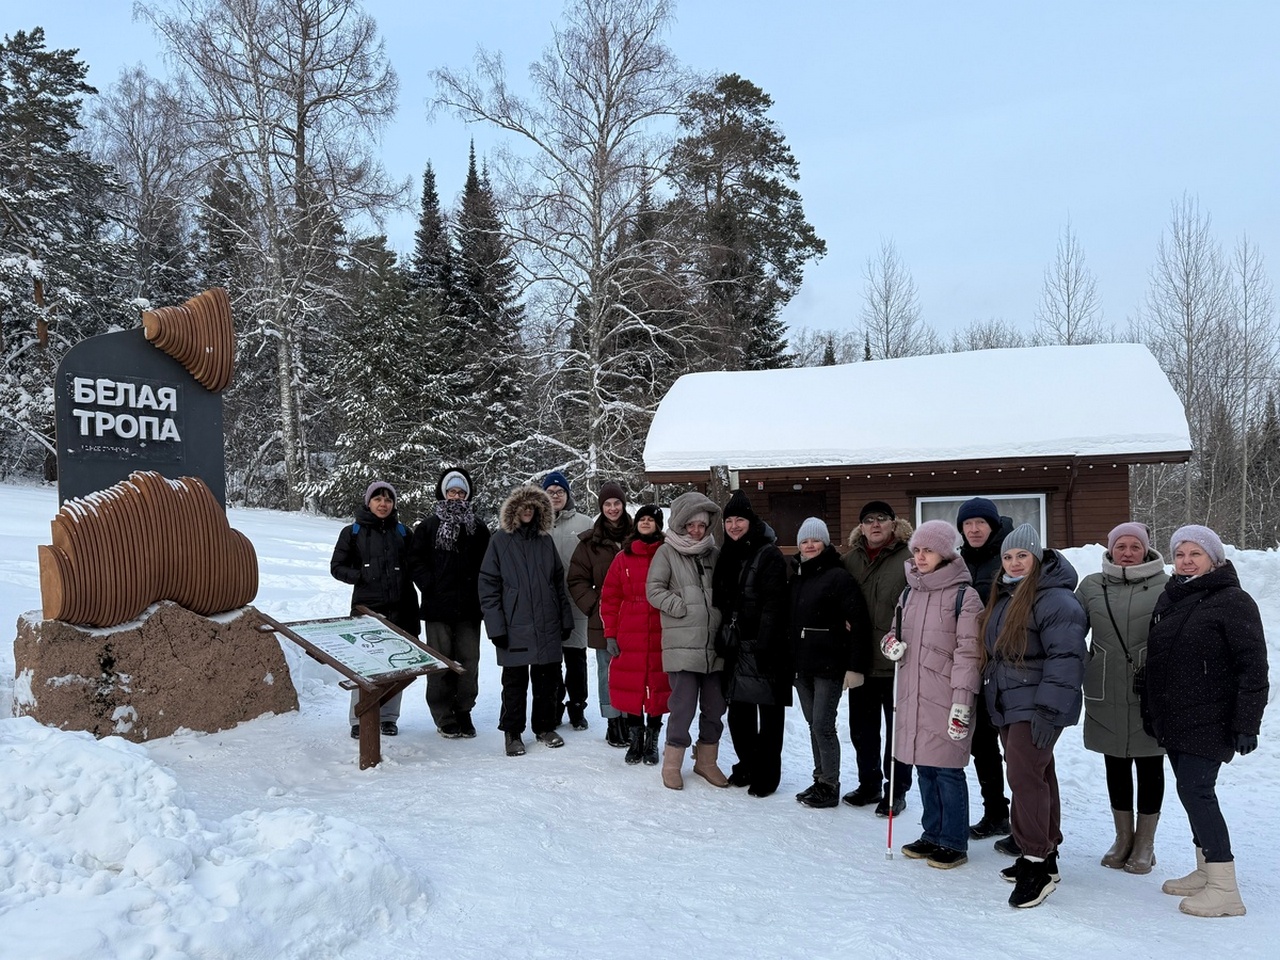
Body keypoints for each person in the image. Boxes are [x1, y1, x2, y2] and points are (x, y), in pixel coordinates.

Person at [1141, 525, 1268, 918]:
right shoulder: (1172, 596)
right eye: (1180, 554)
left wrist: (1247, 723)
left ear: (1214, 559)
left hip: (1212, 716)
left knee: (1197, 791)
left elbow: (1253, 667)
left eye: (1195, 554)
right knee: (1188, 791)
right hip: (1176, 716)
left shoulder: (1233, 600)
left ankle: (1225, 889)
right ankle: (1205, 870)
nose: (1186, 561)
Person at [979, 523, 1087, 909]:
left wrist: (1048, 709)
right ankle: (1046, 855)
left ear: (1037, 557)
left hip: (1037, 703)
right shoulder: (1007, 594)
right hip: (1011, 701)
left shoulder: (1054, 599)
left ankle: (1035, 863)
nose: (1014, 562)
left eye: (1022, 555)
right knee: (1038, 775)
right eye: (1008, 556)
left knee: (1024, 778)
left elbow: (1067, 658)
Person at [885, 521, 983, 869]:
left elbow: (969, 652)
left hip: (946, 696)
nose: (920, 556)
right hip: (912, 693)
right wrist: (890, 645)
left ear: (945, 553)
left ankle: (953, 841)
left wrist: (962, 701)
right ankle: (932, 833)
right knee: (924, 767)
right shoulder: (909, 593)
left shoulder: (964, 596)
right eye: (916, 550)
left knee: (947, 769)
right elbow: (894, 632)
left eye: (928, 550)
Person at [1075, 522, 1168, 874]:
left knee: (1150, 763)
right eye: (1121, 546)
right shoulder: (1091, 586)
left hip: (1150, 689)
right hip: (1105, 686)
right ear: (1110, 549)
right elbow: (1069, 631)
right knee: (1114, 762)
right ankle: (1123, 837)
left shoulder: (1167, 585)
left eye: (1135, 547)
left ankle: (1145, 843)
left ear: (1146, 550)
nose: (1127, 553)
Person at [479, 484, 575, 756]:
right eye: (523, 507)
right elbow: (488, 586)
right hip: (514, 625)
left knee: (547, 680)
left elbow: (557, 583)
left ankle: (544, 727)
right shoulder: (500, 541)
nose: (528, 511)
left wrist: (565, 619)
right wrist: (496, 627)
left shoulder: (545, 541)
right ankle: (512, 732)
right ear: (514, 510)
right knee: (514, 683)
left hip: (547, 622)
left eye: (533, 507)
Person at [645, 491, 727, 790]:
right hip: (681, 644)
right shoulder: (667, 552)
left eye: (702, 525)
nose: (696, 531)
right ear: (680, 524)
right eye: (691, 525)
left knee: (715, 706)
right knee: (683, 707)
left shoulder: (714, 554)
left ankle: (706, 761)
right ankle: (672, 764)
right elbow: (653, 589)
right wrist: (681, 607)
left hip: (713, 645)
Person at [712, 491, 790, 797]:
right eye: (729, 520)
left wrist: (765, 645)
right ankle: (747, 765)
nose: (734, 525)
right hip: (735, 644)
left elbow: (775, 604)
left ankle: (767, 775)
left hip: (764, 645)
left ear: (751, 521)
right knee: (739, 714)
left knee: (769, 714)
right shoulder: (727, 553)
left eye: (739, 520)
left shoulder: (768, 554)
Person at [789, 517, 871, 809]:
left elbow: (858, 621)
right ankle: (819, 778)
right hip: (801, 666)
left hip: (829, 664)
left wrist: (855, 666)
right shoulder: (796, 576)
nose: (810, 545)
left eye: (815, 540)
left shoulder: (838, 577)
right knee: (813, 724)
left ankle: (830, 785)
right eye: (805, 541)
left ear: (825, 543)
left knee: (823, 725)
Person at [330, 481, 421, 739]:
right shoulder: (353, 532)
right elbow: (337, 567)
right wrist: (361, 576)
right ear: (368, 502)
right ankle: (359, 718)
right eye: (378, 499)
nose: (383, 504)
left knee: (396, 664)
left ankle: (389, 717)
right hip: (367, 608)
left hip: (402, 606)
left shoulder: (403, 532)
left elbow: (417, 566)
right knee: (365, 665)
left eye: (388, 500)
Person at [841, 500, 913, 816]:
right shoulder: (849, 560)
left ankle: (896, 791)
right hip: (861, 661)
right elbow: (834, 596)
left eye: (881, 519)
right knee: (862, 730)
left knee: (898, 733)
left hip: (897, 662)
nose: (875, 525)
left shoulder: (910, 558)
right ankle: (868, 785)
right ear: (861, 526)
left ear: (893, 524)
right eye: (869, 520)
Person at [410, 467, 490, 740]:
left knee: (469, 661)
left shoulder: (478, 528)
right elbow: (415, 561)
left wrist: (480, 591)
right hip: (437, 608)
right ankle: (443, 715)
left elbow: (488, 565)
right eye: (452, 491)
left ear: (467, 495)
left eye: (461, 492)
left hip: (469, 608)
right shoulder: (428, 526)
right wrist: (429, 584)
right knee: (439, 663)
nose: (456, 496)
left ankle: (464, 710)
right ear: (444, 493)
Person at [955, 497, 1015, 842]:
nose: (974, 529)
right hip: (972, 662)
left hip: (1005, 664)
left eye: (981, 523)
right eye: (968, 524)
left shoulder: (1008, 558)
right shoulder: (958, 562)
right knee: (982, 743)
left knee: (1016, 748)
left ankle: (1029, 824)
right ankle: (995, 813)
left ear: (992, 525)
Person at [600, 504, 670, 765]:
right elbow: (610, 597)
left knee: (657, 686)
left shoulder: (667, 554)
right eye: (642, 518)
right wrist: (610, 633)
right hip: (629, 630)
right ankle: (635, 739)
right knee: (632, 687)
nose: (646, 522)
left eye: (651, 519)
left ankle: (652, 741)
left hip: (660, 628)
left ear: (658, 525)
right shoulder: (623, 557)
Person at [567, 481, 633, 748]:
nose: (613, 508)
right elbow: (576, 579)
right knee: (608, 670)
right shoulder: (590, 542)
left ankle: (630, 719)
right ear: (601, 507)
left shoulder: (637, 535)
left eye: (617, 503)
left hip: (635, 618)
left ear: (623, 505)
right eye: (607, 504)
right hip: (604, 619)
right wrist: (595, 606)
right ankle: (613, 721)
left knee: (632, 670)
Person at [543, 471, 593, 731]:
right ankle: (554, 706)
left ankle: (577, 707)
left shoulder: (584, 523)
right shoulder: (536, 523)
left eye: (560, 492)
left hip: (575, 601)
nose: (555, 496)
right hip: (546, 603)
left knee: (576, 659)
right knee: (550, 661)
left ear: (567, 494)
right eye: (550, 492)